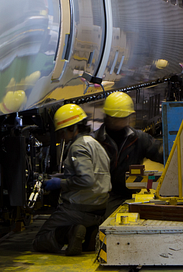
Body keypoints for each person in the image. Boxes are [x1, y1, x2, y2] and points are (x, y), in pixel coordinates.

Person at [32, 103, 111, 256]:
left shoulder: (78, 147)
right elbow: (94, 173)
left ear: (74, 128)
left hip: (79, 207)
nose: (62, 137)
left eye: (63, 132)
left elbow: (87, 180)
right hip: (99, 207)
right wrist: (61, 176)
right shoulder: (94, 143)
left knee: (39, 240)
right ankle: (89, 234)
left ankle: (70, 231)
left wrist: (59, 183)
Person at [94, 91, 164, 215]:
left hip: (130, 195)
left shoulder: (139, 139)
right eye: (117, 118)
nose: (122, 121)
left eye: (124, 117)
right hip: (102, 197)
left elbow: (163, 154)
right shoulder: (95, 142)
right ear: (108, 117)